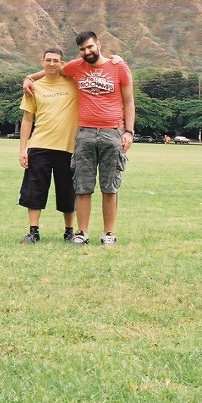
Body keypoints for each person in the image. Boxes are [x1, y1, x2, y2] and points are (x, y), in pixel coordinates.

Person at [25, 32, 135, 246]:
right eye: (83, 49)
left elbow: (129, 102)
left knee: (109, 186)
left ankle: (109, 233)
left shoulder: (119, 67)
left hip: (112, 132)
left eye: (90, 47)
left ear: (98, 45)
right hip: (84, 133)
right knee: (82, 186)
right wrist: (29, 78)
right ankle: (82, 232)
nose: (87, 52)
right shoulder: (76, 66)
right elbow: (52, 70)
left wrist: (128, 132)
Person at [17, 48, 78, 244]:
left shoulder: (73, 83)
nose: (52, 64)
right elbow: (27, 119)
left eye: (56, 61)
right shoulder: (33, 88)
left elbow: (89, 65)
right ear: (42, 62)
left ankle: (69, 231)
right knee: (35, 189)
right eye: (48, 60)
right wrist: (22, 149)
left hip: (68, 146)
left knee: (68, 191)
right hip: (39, 145)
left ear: (62, 63)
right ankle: (33, 231)